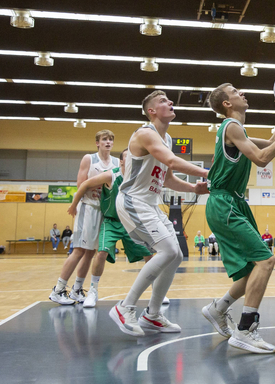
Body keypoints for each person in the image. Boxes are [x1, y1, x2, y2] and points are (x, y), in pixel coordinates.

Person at [200, 83, 275, 354]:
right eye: (235, 91)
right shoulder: (232, 126)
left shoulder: (238, 130)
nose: (242, 92)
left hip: (232, 202)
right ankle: (245, 330)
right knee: (266, 261)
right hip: (225, 203)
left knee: (251, 270)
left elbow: (270, 142)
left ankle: (218, 308)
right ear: (226, 104)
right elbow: (262, 158)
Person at [110, 91, 209, 337]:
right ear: (151, 111)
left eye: (169, 99)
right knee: (168, 250)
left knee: (175, 255)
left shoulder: (168, 139)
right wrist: (208, 173)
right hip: (133, 201)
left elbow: (167, 178)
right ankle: (125, 307)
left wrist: (194, 188)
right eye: (163, 101)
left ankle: (152, 315)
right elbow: (172, 162)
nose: (171, 102)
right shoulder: (145, 133)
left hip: (150, 204)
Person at [69, 148, 201, 309]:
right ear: (121, 161)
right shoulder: (112, 175)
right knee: (101, 252)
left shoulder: (140, 175)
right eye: (128, 156)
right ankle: (93, 291)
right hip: (112, 221)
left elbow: (166, 179)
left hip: (131, 220)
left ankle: (156, 291)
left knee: (149, 254)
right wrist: (74, 205)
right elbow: (85, 184)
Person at [49, 130, 119, 305]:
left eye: (110, 140)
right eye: (104, 139)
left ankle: (77, 289)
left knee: (90, 252)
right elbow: (81, 184)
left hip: (104, 210)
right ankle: (58, 289)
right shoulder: (89, 159)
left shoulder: (117, 162)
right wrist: (102, 183)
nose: (108, 142)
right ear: (97, 143)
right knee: (79, 250)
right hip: (88, 206)